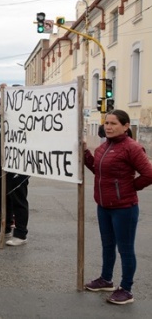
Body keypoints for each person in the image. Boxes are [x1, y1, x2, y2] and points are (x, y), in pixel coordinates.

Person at [83, 109, 152, 305]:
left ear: (126, 126)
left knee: (125, 249)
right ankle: (106, 279)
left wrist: (129, 188)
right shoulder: (103, 147)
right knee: (107, 245)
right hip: (104, 206)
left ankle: (127, 289)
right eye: (106, 123)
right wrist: (85, 153)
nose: (109, 127)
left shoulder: (132, 148)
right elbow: (98, 170)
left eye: (113, 123)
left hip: (124, 208)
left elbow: (149, 174)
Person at [0, 111, 30, 246]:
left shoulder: (24, 119)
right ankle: (4, 227)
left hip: (17, 166)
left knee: (18, 199)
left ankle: (21, 234)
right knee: (2, 198)